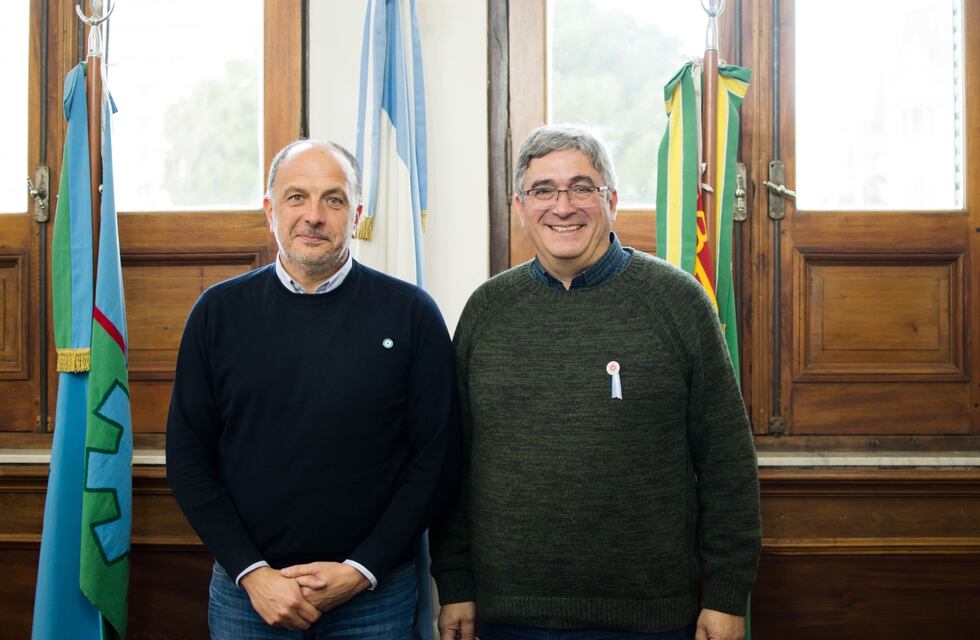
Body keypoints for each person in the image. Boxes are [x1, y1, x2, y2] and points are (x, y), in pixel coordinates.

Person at [430, 125, 760, 640]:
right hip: (507, 616)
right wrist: (454, 584)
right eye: (543, 190)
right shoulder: (486, 311)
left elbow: (727, 463)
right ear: (521, 207)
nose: (563, 206)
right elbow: (453, 463)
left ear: (612, 202)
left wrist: (726, 596)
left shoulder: (676, 302)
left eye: (582, 187)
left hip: (650, 619)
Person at [166, 139, 459, 639]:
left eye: (334, 199)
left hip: (374, 598)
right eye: (296, 197)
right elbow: (189, 460)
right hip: (249, 598)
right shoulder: (217, 314)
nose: (314, 216)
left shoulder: (411, 314)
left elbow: (436, 458)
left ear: (357, 213)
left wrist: (361, 569)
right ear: (270, 209)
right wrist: (252, 573)